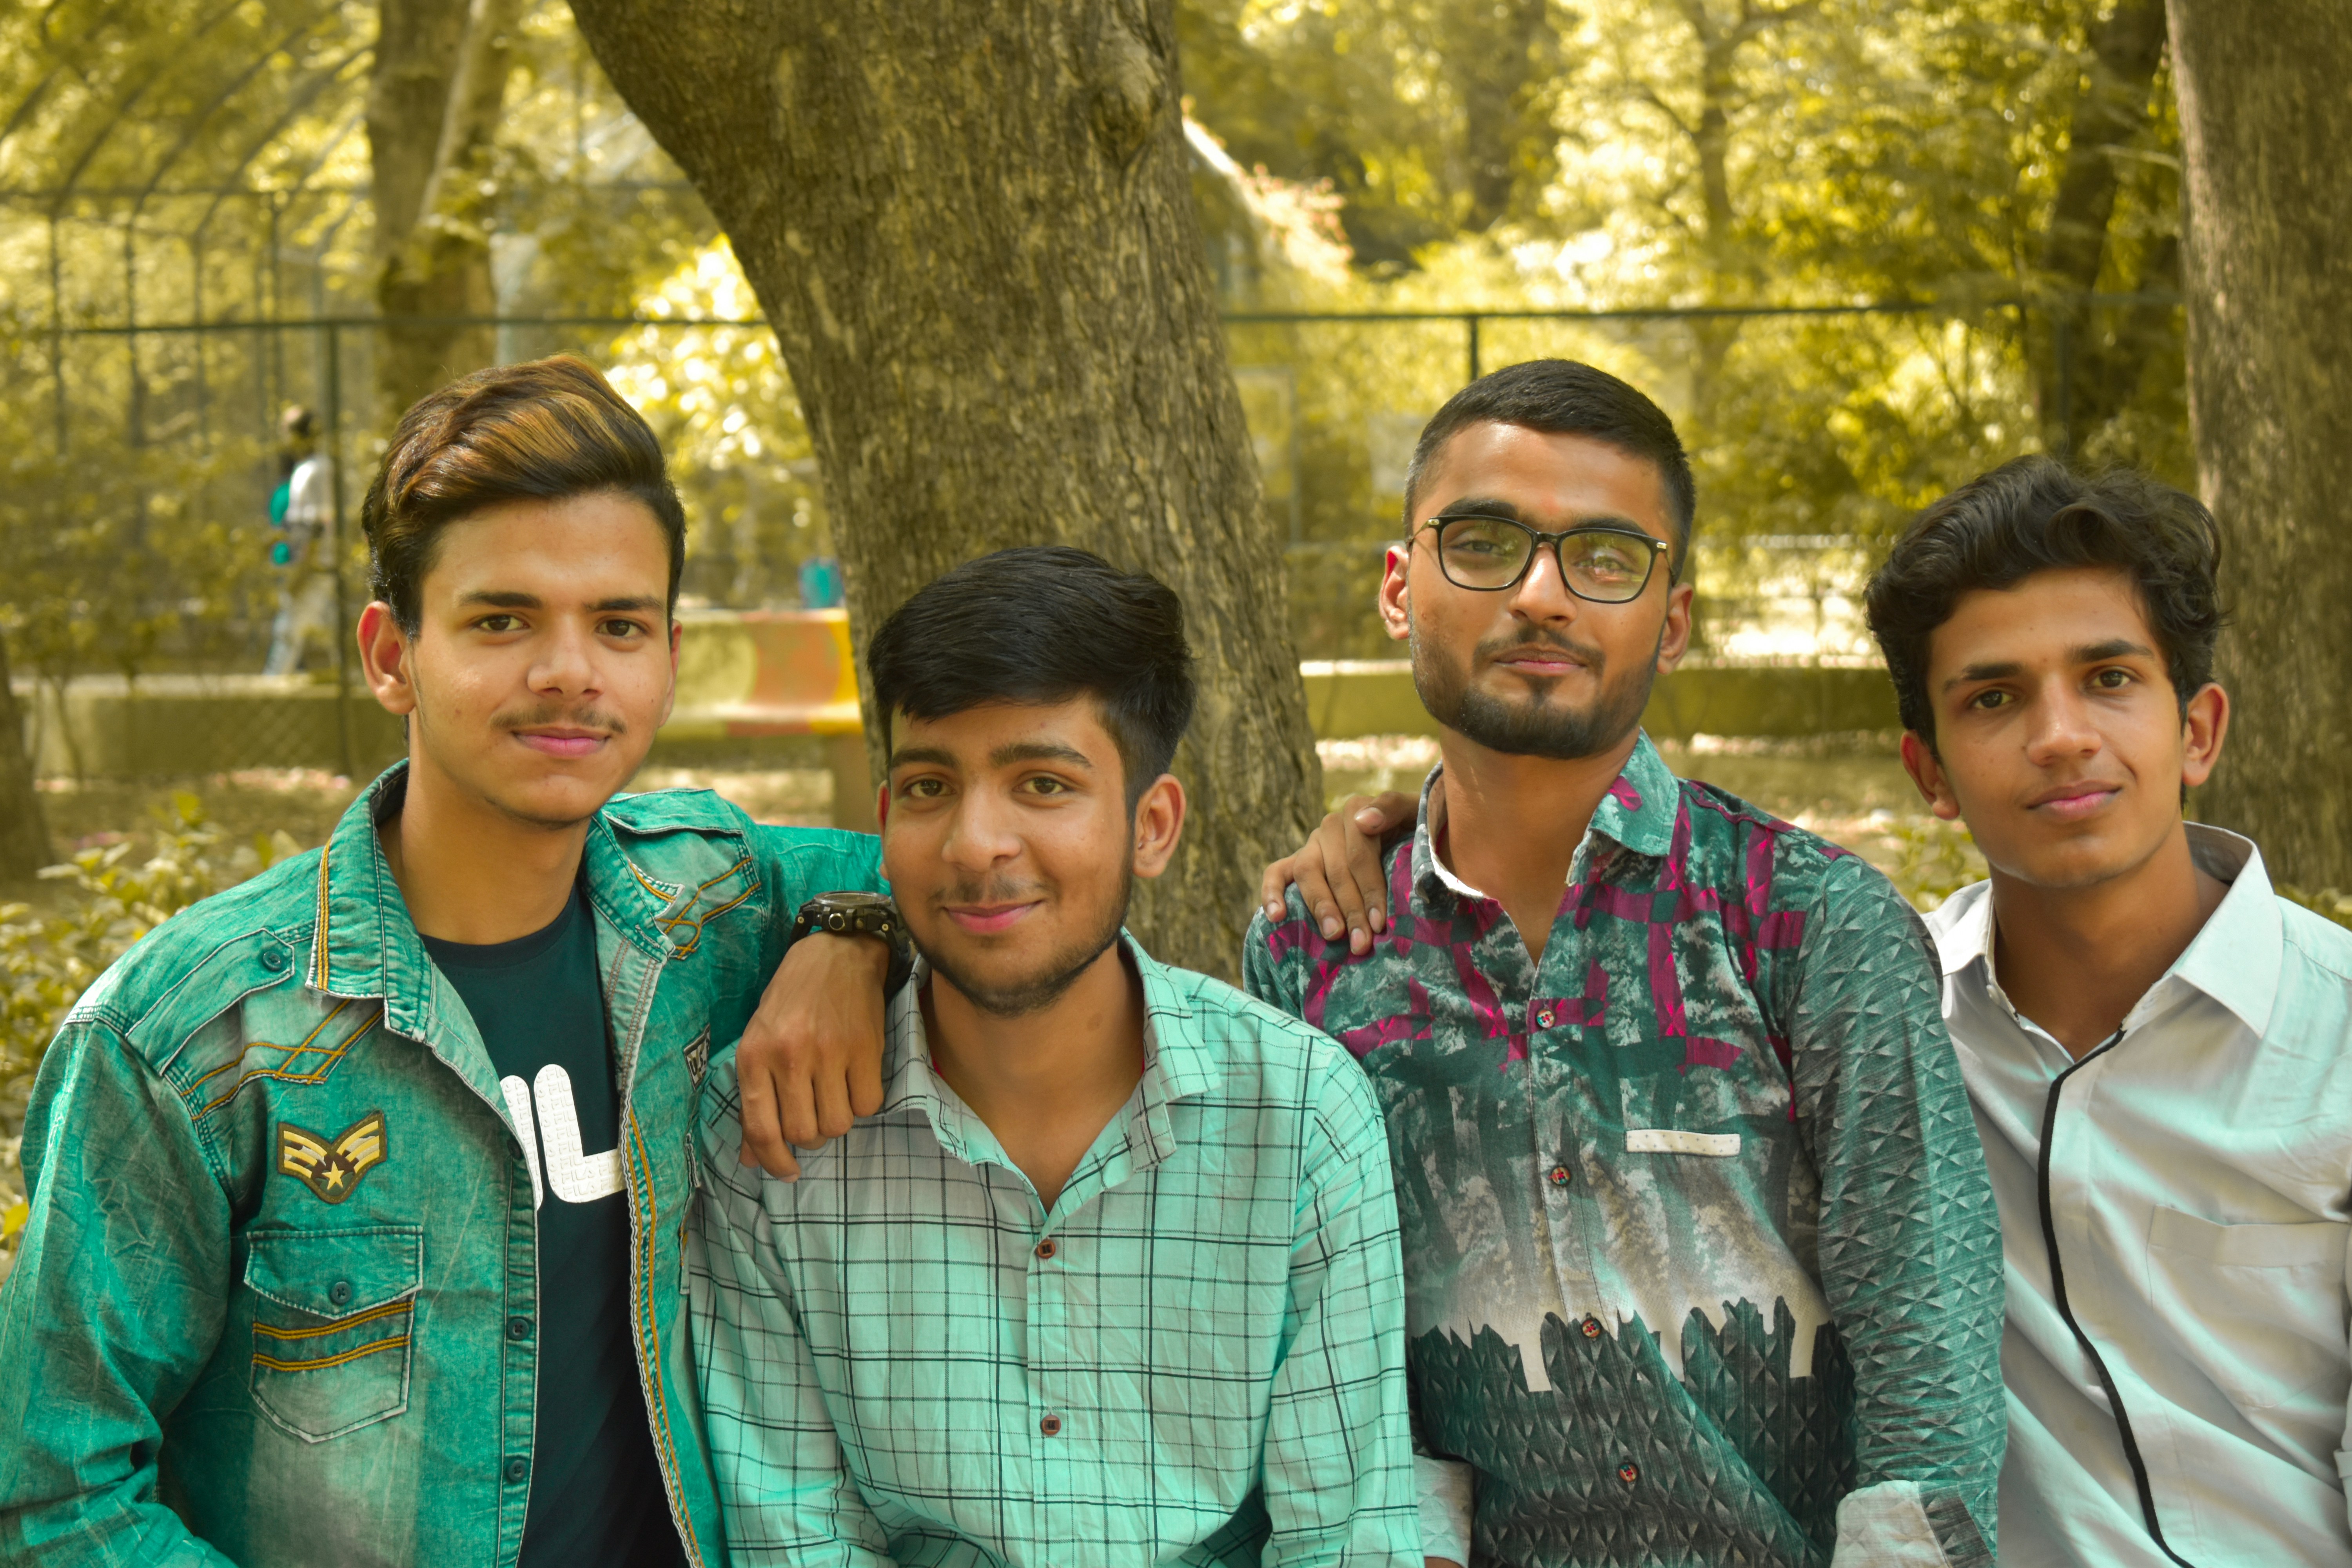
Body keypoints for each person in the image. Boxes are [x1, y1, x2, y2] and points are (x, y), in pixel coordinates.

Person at [0, 355, 902, 1567]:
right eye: (500, 620)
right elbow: (53, 1492)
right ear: (390, 655)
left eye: (618, 624)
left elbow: (961, 863)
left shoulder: (714, 902)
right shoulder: (192, 1039)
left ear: (668, 656)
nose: (569, 671)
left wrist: (855, 933)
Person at [1251, 359, 2005, 1566]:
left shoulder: (1806, 923)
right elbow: (1337, 1365)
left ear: (1671, 616)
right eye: (1485, 541)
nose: (1542, 595)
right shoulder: (1318, 951)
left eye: (1603, 556)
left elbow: (1929, 1343)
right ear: (1399, 587)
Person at [692, 546, 1423, 1566]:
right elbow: (798, 1538)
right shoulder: (772, 1126)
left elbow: (1347, 1542)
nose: (975, 842)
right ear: (885, 816)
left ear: (1153, 826)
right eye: (930, 786)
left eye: (1042, 783)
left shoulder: (1301, 1113)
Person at [1863, 457, 2352, 1566]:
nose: (2061, 736)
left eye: (2110, 679)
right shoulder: (1876, 1022)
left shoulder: (2341, 1042)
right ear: (1928, 772)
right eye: (1994, 699)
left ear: (2198, 732)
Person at [264, 404, 339, 675]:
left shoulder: (314, 471)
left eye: (287, 429)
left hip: (315, 566)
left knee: (288, 632)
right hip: (314, 565)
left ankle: (270, 690)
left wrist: (302, 569)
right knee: (327, 632)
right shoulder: (307, 469)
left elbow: (317, 526)